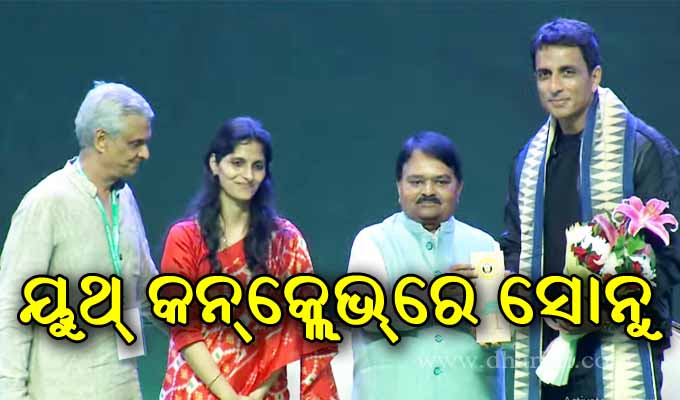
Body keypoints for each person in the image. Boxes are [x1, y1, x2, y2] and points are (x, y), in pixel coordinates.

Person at [499, 18, 680, 400]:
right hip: (545, 352)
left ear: (594, 76)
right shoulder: (528, 162)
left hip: (620, 349)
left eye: (567, 72)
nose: (554, 86)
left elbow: (667, 258)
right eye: (544, 74)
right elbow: (515, 247)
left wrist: (597, 308)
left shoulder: (644, 150)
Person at [159, 116, 338, 400]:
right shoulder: (184, 238)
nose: (248, 175)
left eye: (257, 166)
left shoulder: (285, 241)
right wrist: (229, 396)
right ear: (215, 164)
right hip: (195, 388)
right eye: (237, 163)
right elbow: (184, 327)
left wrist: (258, 393)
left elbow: (296, 325)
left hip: (265, 391)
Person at [0, 81, 158, 399]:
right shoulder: (47, 202)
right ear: (101, 140)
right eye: (135, 143)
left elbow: (147, 290)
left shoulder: (125, 198)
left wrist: (210, 329)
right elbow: (11, 308)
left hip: (123, 387)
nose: (145, 154)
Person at [347, 131, 504, 399]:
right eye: (416, 182)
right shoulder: (372, 241)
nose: (428, 191)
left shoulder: (484, 245)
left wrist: (502, 308)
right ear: (399, 187)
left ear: (459, 188)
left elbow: (499, 335)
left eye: (441, 181)